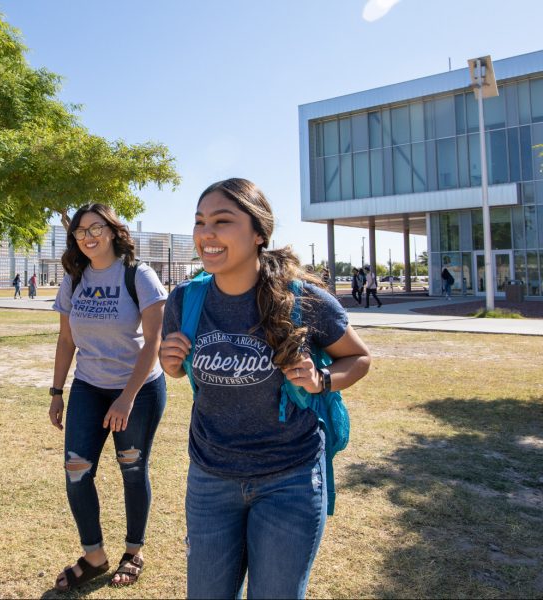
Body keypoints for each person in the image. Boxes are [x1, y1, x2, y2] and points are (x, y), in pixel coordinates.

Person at [159, 178, 371, 599]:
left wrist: (320, 380)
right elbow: (184, 371)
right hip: (210, 477)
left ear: (259, 234)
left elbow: (359, 358)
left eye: (222, 221)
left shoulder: (302, 299)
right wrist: (172, 365)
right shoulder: (184, 300)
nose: (207, 234)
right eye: (200, 222)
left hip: (289, 479)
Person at [49, 203, 168, 592]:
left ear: (113, 231)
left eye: (95, 227)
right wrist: (56, 391)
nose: (87, 236)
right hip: (89, 386)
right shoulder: (74, 278)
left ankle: (133, 551)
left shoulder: (139, 275)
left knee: (132, 468)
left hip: (138, 388)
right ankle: (94, 556)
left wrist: (127, 398)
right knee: (76, 471)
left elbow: (154, 341)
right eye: (80, 231)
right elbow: (66, 339)